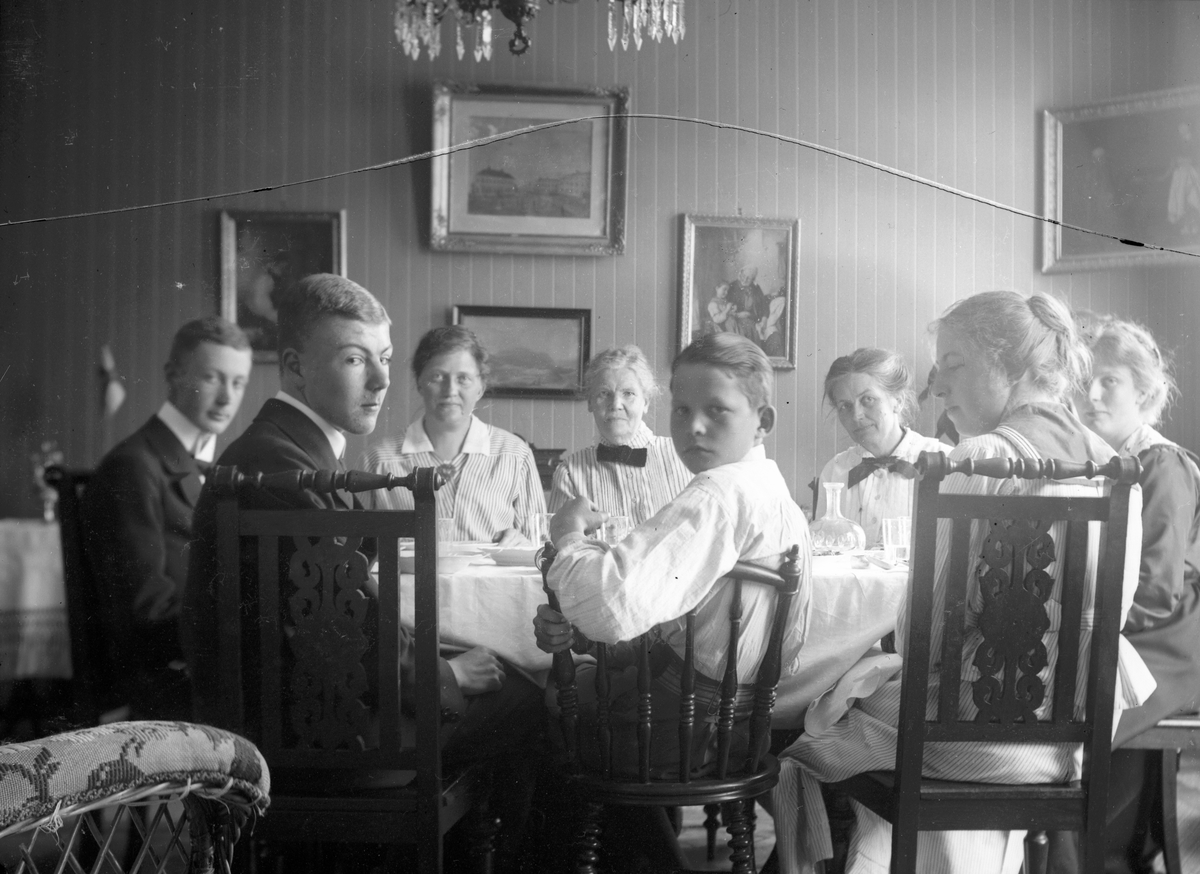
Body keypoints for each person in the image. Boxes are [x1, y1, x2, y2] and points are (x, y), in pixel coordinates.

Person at [771, 291, 1155, 874]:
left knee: (804, 739)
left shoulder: (975, 461)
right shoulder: (1113, 467)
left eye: (953, 364)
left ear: (1012, 366)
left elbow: (922, 634)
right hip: (1070, 744)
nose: (938, 386)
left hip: (971, 742)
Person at [182, 276, 541, 763]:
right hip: (313, 733)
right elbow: (346, 627)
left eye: (385, 358)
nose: (381, 380)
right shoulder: (284, 469)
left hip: (305, 711)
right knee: (527, 698)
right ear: (295, 367)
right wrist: (447, 674)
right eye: (355, 359)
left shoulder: (287, 449)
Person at [535, 333, 812, 775]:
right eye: (682, 410)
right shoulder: (775, 495)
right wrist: (585, 632)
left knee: (541, 700)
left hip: (671, 727)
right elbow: (681, 618)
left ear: (763, 421)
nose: (694, 426)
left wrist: (567, 533)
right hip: (739, 723)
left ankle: (622, 821)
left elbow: (609, 605)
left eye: (716, 410)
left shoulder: (715, 495)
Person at [1049, 319, 1200, 873]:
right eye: (1084, 380)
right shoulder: (1098, 463)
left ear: (1146, 392)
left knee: (1061, 721)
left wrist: (1075, 630)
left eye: (1108, 380)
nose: (1090, 394)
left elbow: (1157, 592)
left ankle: (1090, 860)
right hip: (1119, 624)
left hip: (1164, 636)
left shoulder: (1162, 463)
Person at [82, 316, 251, 721]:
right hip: (163, 688)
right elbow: (145, 613)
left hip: (198, 669)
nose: (227, 398)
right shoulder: (133, 467)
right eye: (212, 378)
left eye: (238, 383)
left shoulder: (208, 465)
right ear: (173, 375)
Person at [360, 325, 546, 545]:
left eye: (463, 378)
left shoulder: (515, 455)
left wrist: (523, 543)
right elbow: (357, 547)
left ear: (481, 387)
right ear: (420, 383)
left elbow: (539, 544)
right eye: (437, 377)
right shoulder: (378, 460)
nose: (450, 391)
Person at [548, 345, 692, 527]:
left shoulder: (683, 456)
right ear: (590, 402)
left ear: (646, 402)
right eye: (604, 393)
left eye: (628, 393)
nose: (616, 404)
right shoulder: (570, 473)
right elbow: (558, 540)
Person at [816, 348, 948, 547]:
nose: (856, 416)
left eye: (868, 400)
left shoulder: (943, 460)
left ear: (898, 401)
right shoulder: (834, 472)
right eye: (845, 406)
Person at [729, 264, 766, 341]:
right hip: (735, 319)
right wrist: (737, 314)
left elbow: (764, 306)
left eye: (748, 278)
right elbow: (725, 306)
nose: (745, 280)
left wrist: (763, 320)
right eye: (743, 276)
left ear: (753, 279)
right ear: (740, 274)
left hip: (753, 319)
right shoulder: (732, 287)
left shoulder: (756, 288)